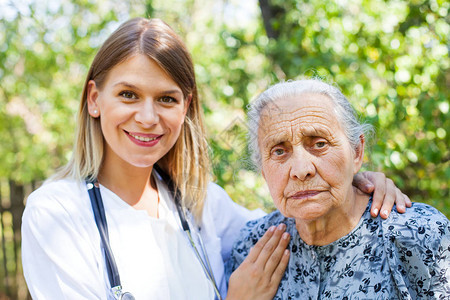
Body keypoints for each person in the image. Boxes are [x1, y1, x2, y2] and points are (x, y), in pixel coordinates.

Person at [21, 18, 410, 300]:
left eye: (167, 99)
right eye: (128, 95)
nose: (147, 117)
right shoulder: (56, 214)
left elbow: (297, 219)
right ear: (94, 99)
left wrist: (356, 185)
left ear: (186, 108)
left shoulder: (200, 201)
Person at [226, 79, 450, 299]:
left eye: (319, 144)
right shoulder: (251, 247)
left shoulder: (420, 234)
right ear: (263, 171)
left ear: (356, 152)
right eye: (279, 151)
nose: (301, 170)